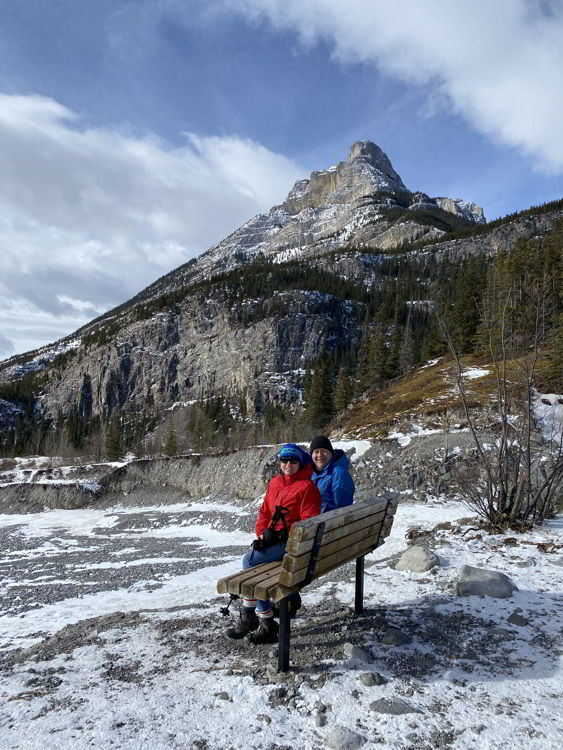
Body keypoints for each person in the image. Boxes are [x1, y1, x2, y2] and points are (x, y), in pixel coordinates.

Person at [226, 443, 321, 644]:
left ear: (300, 463)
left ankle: (255, 617)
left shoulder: (307, 486)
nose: (288, 464)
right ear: (280, 463)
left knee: (249, 562)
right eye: (284, 460)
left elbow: (309, 521)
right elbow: (265, 512)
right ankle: (263, 620)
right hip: (275, 540)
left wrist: (283, 533)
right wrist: (262, 532)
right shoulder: (275, 483)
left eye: (293, 461)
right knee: (252, 563)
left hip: (292, 544)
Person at [309, 435, 355, 513]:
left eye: (324, 451)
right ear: (311, 455)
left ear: (331, 453)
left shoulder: (339, 473)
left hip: (328, 521)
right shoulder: (309, 472)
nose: (320, 455)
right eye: (316, 452)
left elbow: (343, 507)